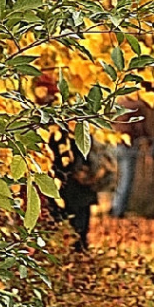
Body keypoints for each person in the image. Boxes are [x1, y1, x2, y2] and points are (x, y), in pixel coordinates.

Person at [34, 72, 100, 252]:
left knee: (72, 233)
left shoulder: (51, 120)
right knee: (74, 235)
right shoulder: (66, 117)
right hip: (69, 186)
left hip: (69, 185)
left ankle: (74, 266)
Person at [111, 91, 149, 218]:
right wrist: (146, 138)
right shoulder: (137, 106)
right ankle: (118, 210)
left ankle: (116, 206)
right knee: (127, 179)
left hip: (117, 143)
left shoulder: (119, 103)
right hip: (129, 145)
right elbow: (139, 126)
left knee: (120, 178)